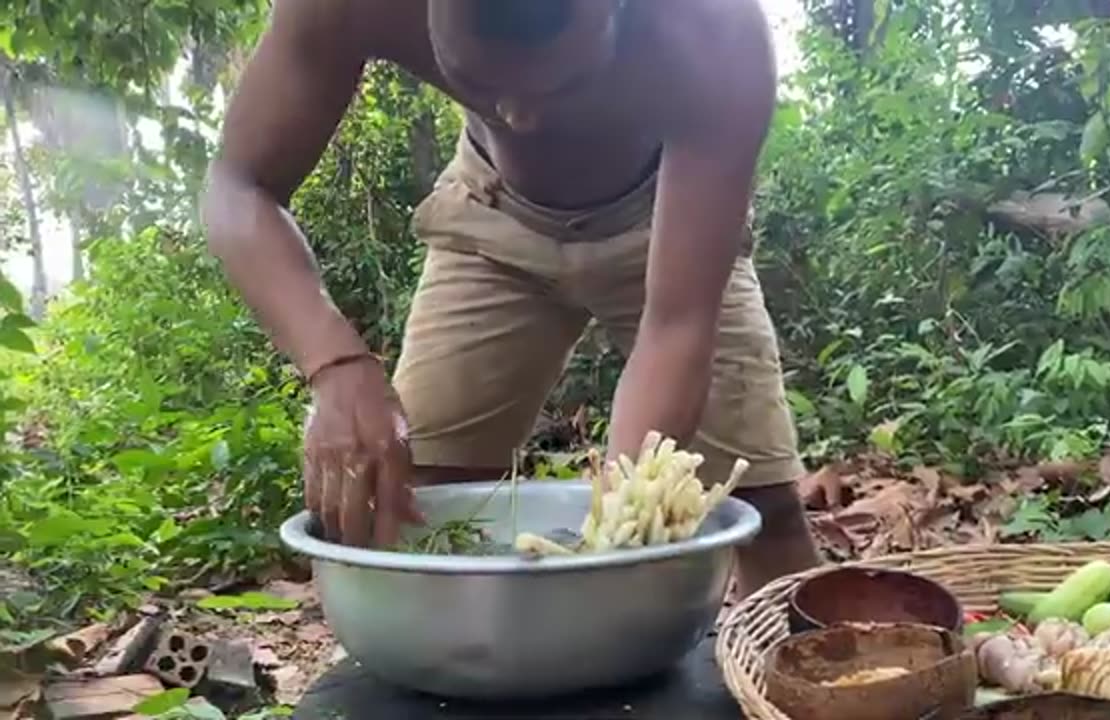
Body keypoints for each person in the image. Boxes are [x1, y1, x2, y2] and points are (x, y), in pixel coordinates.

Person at [201, 0, 820, 595]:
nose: (519, 117)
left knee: (760, 507)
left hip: (665, 215)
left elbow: (677, 325)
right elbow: (239, 185)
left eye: (564, 85)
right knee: (414, 501)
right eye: (477, 81)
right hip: (489, 214)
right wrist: (335, 368)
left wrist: (617, 530)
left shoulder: (711, 30)